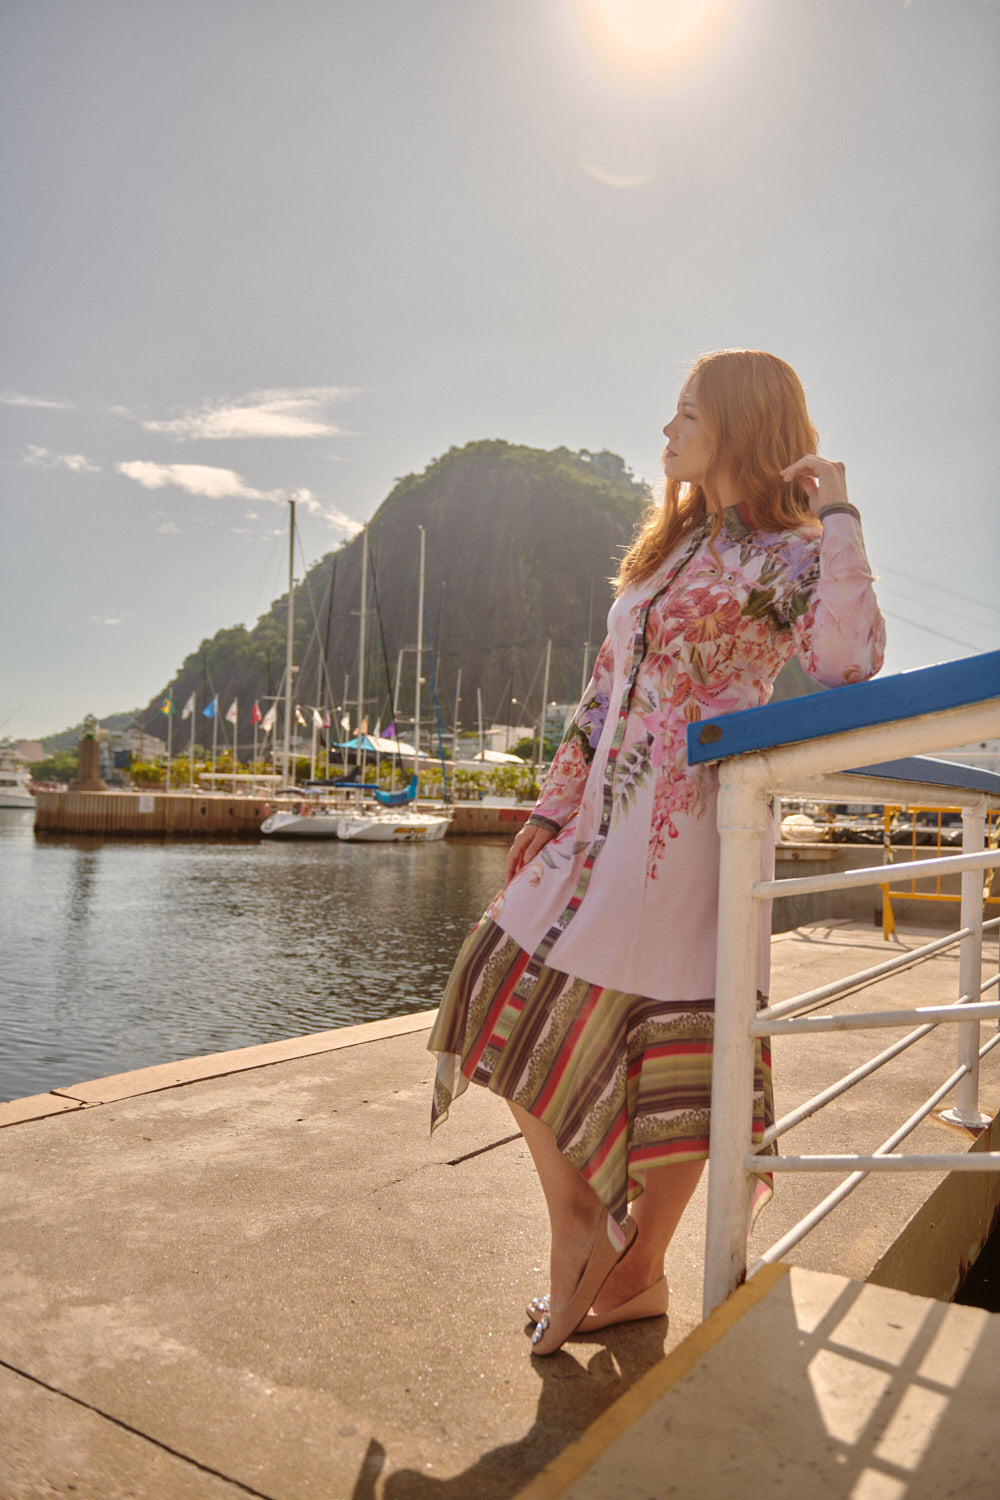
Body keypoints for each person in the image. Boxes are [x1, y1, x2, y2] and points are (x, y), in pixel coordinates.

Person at [427, 349, 885, 1355]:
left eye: (686, 413)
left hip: (692, 831)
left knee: (677, 1051)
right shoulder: (666, 551)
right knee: (489, 979)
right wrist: (549, 811)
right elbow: (599, 693)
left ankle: (630, 1280)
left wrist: (840, 512)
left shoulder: (791, 553)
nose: (667, 431)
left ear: (738, 424)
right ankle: (582, 1230)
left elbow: (848, 660)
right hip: (599, 826)